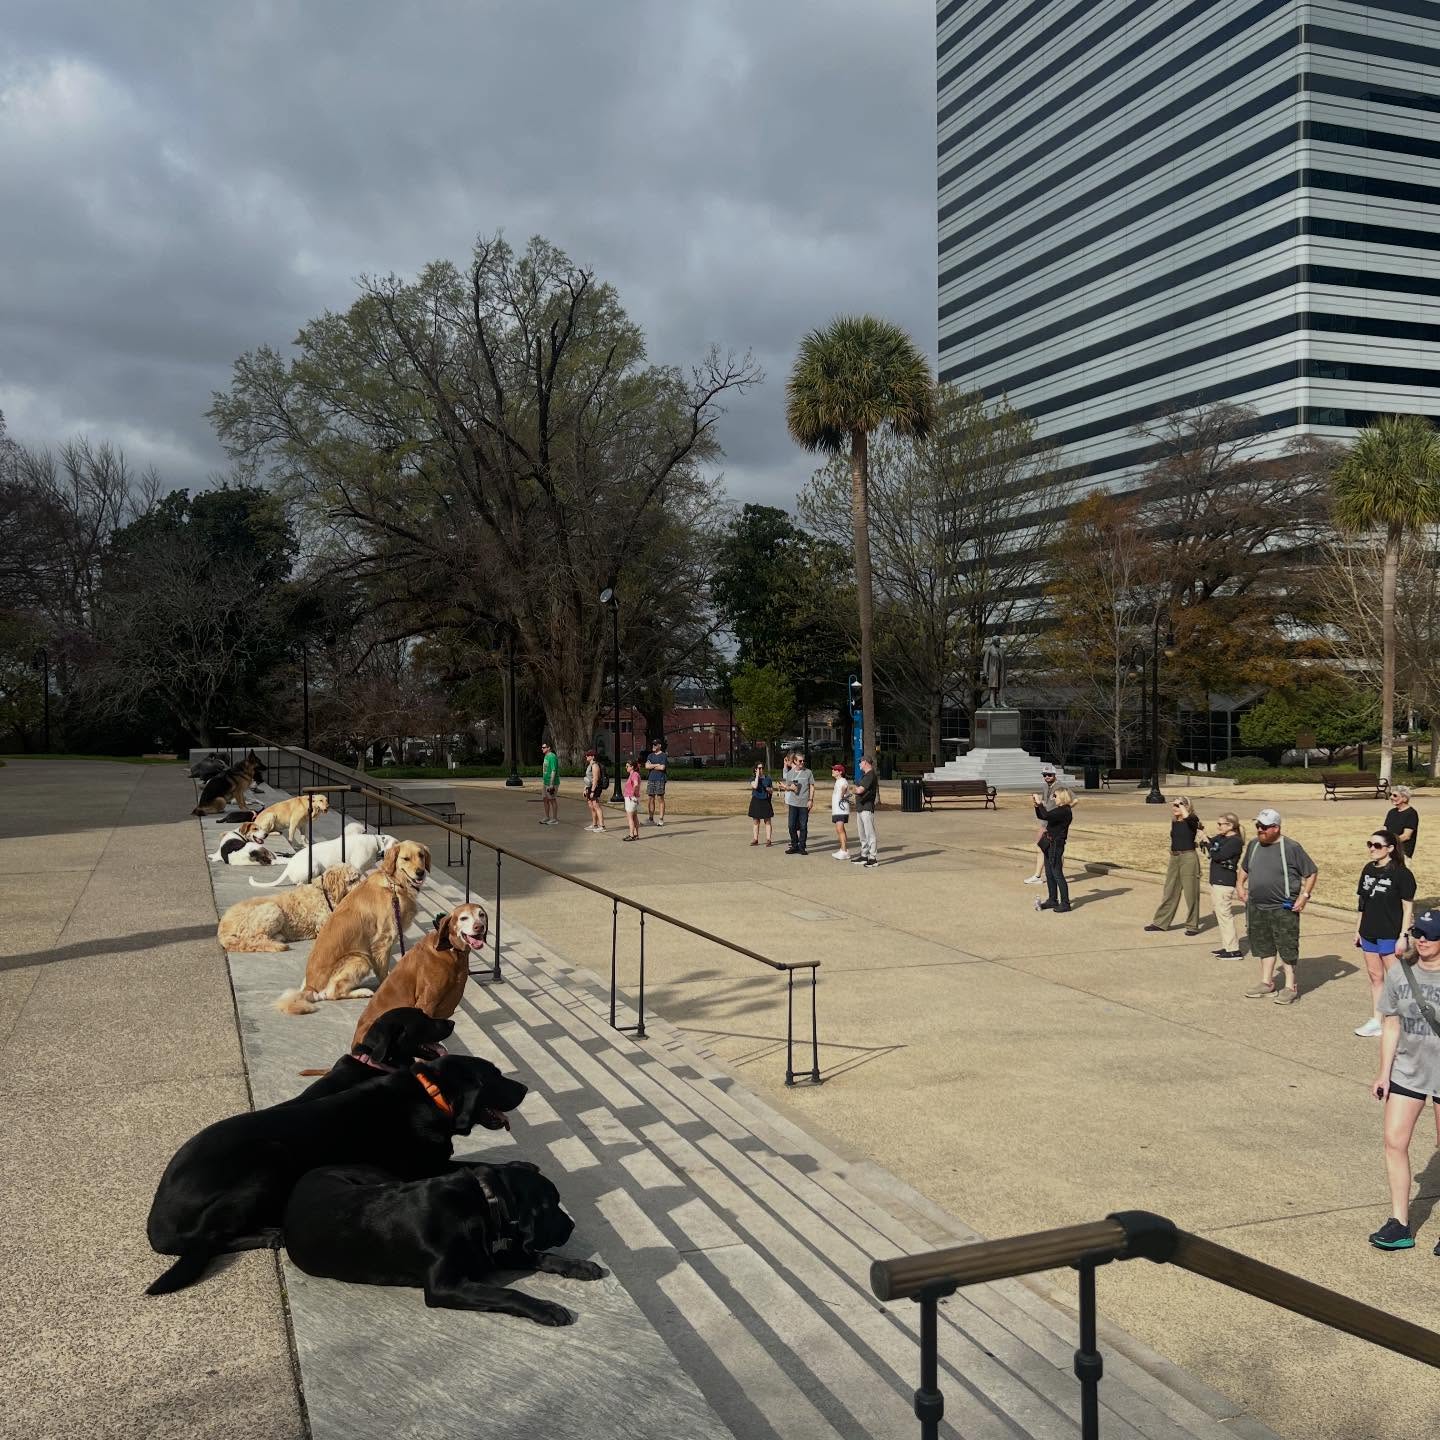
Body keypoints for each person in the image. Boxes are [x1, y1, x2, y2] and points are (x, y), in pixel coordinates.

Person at [1367, 908, 1440, 1252]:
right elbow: (1391, 1024)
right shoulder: (1400, 973)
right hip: (1407, 1071)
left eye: (1431, 935)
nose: (1423, 940)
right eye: (1419, 933)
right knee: (1394, 1142)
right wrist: (1384, 1072)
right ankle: (1399, 1223)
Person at [1237, 807, 1318, 1005]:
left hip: (1283, 907)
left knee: (1287, 945)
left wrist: (1304, 896)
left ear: (1276, 827)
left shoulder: (1291, 847)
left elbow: (1311, 872)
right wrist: (1240, 885)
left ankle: (1290, 986)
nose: (1259, 830)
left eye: (1264, 827)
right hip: (1257, 905)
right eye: (1257, 826)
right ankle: (1267, 983)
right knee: (1263, 944)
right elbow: (1244, 868)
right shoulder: (1254, 845)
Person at [1354, 828, 1416, 1037]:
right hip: (1368, 931)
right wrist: (1358, 930)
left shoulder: (1402, 874)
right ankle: (1376, 1020)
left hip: (1390, 933)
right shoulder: (1368, 869)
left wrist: (1403, 936)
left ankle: (1403, 1020)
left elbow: (1408, 908)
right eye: (1369, 844)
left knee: (1396, 979)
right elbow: (1362, 903)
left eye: (1377, 845)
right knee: (1375, 976)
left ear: (1390, 848)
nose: (1372, 849)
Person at [1144, 796, 1204, 936]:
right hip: (1174, 858)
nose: (1175, 807)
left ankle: (1192, 926)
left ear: (1186, 806)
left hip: (1188, 858)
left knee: (1191, 893)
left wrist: (1182, 806)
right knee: (1169, 890)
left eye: (1178, 805)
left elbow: (1190, 820)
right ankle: (1160, 923)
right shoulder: (1174, 822)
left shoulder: (1193, 820)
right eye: (1174, 805)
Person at [1206, 812, 1244, 958]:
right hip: (1216, 880)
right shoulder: (1222, 838)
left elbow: (1217, 855)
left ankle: (1233, 950)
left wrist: (1209, 846)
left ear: (1230, 825)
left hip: (1224, 882)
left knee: (1225, 915)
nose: (1218, 826)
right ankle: (1227, 946)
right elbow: (1211, 844)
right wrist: (1204, 837)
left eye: (1220, 824)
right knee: (1220, 915)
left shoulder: (1235, 841)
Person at [1031, 786, 1074, 912]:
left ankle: (1065, 903)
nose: (1053, 798)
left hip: (1056, 845)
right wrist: (1036, 805)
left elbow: (1045, 814)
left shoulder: (1064, 811)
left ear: (1061, 796)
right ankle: (1052, 900)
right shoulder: (1059, 810)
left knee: (1057, 874)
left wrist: (1040, 803)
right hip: (1049, 844)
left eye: (1055, 796)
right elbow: (1043, 816)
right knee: (1049, 873)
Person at [1024, 766, 1058, 885]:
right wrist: (1038, 804)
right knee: (1042, 847)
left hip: (1053, 823)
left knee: (1054, 850)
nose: (1047, 777)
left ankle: (1054, 875)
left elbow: (1071, 802)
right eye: (1044, 775)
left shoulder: (1060, 787)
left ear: (1055, 775)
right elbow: (1046, 803)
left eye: (1049, 775)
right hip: (1045, 821)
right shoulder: (1045, 787)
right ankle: (1041, 875)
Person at [780, 750, 814, 855]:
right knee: (791, 826)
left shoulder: (808, 772)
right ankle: (794, 845)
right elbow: (788, 787)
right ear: (795, 761)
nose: (802, 763)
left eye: (803, 761)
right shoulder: (790, 773)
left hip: (804, 803)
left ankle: (802, 847)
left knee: (803, 826)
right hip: (793, 803)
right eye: (800, 761)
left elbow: (812, 786)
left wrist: (810, 800)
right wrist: (789, 788)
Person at [854, 755, 879, 867]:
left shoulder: (870, 775)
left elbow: (860, 790)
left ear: (865, 762)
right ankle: (864, 855)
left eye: (860, 762)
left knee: (870, 833)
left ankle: (873, 858)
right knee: (862, 833)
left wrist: (851, 789)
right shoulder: (865, 775)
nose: (859, 764)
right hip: (861, 807)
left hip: (867, 807)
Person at [1384, 786, 1419, 859]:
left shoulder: (1411, 813)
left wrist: (1388, 842)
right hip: (1388, 851)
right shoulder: (1391, 812)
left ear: (1404, 798)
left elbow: (1406, 836)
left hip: (1402, 853)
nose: (1391, 797)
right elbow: (1385, 830)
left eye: (1395, 795)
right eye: (1391, 794)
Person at [748, 761, 775, 847]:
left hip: (765, 801)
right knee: (756, 821)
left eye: (762, 768)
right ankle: (755, 839)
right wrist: (757, 776)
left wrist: (769, 790)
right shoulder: (752, 779)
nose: (761, 770)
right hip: (756, 800)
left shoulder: (768, 779)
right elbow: (755, 786)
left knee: (767, 821)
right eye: (759, 768)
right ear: (755, 769)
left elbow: (772, 790)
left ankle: (768, 840)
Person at [829, 763, 851, 860]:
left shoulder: (842, 781)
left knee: (839, 829)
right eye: (833, 769)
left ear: (840, 772)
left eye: (835, 770)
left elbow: (844, 787)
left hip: (841, 810)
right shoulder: (838, 781)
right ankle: (844, 850)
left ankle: (843, 850)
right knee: (840, 829)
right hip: (838, 810)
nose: (833, 771)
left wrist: (843, 793)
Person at [644, 739, 668, 825]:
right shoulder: (650, 755)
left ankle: (661, 819)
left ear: (659, 746)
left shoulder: (663, 755)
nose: (653, 746)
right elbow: (646, 766)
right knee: (651, 798)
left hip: (660, 779)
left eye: (655, 745)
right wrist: (657, 765)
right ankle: (651, 819)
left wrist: (652, 766)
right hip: (651, 779)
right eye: (653, 745)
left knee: (660, 798)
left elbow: (662, 768)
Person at [582, 749, 606, 833]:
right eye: (586, 755)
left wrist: (592, 791)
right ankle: (594, 824)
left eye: (588, 755)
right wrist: (585, 789)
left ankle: (602, 826)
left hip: (595, 787)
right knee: (591, 805)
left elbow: (595, 779)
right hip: (589, 787)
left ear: (593, 756)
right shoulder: (589, 765)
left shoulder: (595, 765)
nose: (586, 756)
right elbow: (588, 778)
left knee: (596, 806)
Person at [539, 740, 560, 825]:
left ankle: (554, 819)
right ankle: (547, 817)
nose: (542, 749)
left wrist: (551, 784)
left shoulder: (552, 757)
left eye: (544, 747)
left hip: (552, 782)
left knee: (552, 800)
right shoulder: (546, 756)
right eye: (542, 747)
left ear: (549, 748)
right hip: (545, 782)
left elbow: (553, 770)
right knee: (545, 799)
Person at [622, 759, 642, 841]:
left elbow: (636, 784)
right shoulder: (633, 774)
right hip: (633, 798)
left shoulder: (634, 774)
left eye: (627, 766)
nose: (626, 767)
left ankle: (631, 835)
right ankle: (636, 834)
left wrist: (632, 793)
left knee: (630, 817)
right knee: (634, 816)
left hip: (631, 798)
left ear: (632, 767)